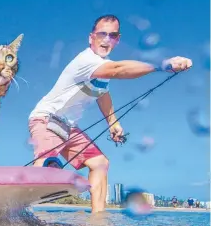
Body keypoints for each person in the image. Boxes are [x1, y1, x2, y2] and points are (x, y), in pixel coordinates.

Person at [27, 14, 193, 213]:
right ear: (91, 37)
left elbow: (102, 93)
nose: (106, 39)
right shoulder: (87, 60)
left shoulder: (101, 68)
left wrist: (113, 122)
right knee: (47, 164)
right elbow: (117, 70)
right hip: (47, 119)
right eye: (102, 34)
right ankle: (17, 206)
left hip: (69, 128)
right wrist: (161, 65)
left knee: (100, 163)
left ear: (117, 39)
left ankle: (98, 219)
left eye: (112, 35)